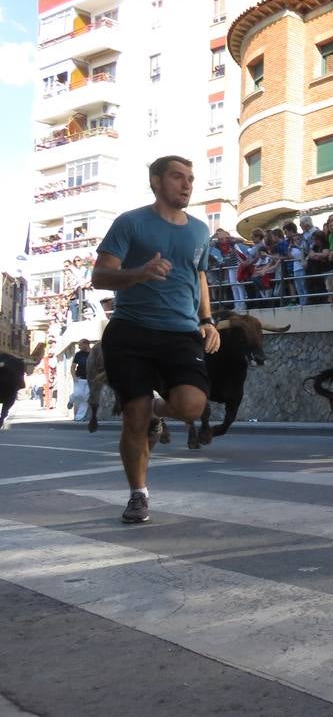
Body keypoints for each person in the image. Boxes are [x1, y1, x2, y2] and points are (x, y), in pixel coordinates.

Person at [91, 156, 220, 524]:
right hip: (131, 331)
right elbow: (100, 276)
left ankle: (159, 412)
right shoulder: (130, 223)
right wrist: (139, 273)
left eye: (191, 179)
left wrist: (207, 320)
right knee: (134, 416)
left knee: (193, 406)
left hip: (181, 333)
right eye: (178, 177)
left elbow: (199, 277)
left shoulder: (199, 230)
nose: (187, 185)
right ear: (156, 181)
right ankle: (138, 494)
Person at [70, 338, 91, 422]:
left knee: (86, 398)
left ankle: (79, 417)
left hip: (90, 379)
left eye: (80, 345)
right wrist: (74, 377)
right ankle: (71, 400)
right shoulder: (78, 354)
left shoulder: (93, 354)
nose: (79, 347)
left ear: (86, 344)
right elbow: (73, 367)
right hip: (80, 378)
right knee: (78, 394)